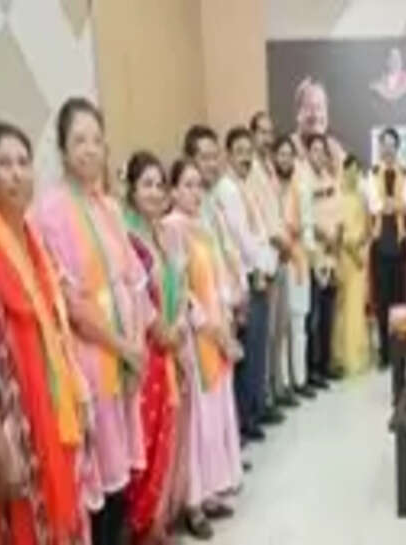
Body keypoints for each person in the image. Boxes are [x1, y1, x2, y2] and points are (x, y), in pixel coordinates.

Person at [0, 121, 93, 544]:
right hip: (15, 424)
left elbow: (56, 329)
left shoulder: (33, 243)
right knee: (30, 529)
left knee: (66, 526)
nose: (16, 173)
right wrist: (0, 443)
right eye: (4, 164)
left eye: (24, 162)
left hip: (55, 411)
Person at [32, 97, 149, 545]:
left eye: (96, 140)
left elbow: (133, 280)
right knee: (100, 479)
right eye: (79, 140)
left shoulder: (109, 208)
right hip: (91, 362)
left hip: (125, 357)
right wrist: (125, 348)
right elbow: (72, 303)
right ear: (62, 148)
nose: (89, 149)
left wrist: (137, 346)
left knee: (122, 482)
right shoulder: (49, 211)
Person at [165, 158, 244, 540]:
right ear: (173, 191)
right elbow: (181, 292)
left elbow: (217, 281)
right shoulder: (172, 229)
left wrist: (226, 321)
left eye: (199, 185)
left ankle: (210, 491)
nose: (195, 192)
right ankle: (192, 503)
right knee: (197, 423)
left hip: (217, 333)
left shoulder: (203, 226)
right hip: (195, 339)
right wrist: (209, 326)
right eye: (187, 185)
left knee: (216, 417)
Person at [121, 151, 190, 545]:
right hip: (144, 350)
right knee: (144, 438)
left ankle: (156, 524)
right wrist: (161, 331)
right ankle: (138, 527)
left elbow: (179, 284)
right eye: (146, 184)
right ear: (132, 190)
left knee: (167, 432)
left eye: (159, 185)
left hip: (170, 344)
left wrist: (177, 325)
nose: (154, 192)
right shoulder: (126, 238)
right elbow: (133, 297)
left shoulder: (165, 235)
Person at [204, 125, 278, 444]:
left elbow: (258, 231)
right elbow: (242, 239)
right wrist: (261, 267)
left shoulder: (242, 187)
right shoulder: (227, 190)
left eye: (249, 153)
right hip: (246, 277)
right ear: (228, 155)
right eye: (240, 152)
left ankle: (253, 412)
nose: (246, 158)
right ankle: (246, 419)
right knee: (249, 352)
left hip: (255, 273)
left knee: (257, 348)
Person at [249, 111, 291, 424]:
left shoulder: (269, 169)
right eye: (261, 133)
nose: (267, 138)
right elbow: (260, 220)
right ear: (253, 135)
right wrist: (280, 242)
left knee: (278, 330)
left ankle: (274, 390)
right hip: (265, 259)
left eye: (269, 132)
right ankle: (261, 400)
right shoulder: (250, 173)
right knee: (264, 336)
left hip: (279, 257)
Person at [272, 135, 313, 400]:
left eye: (289, 155)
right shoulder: (269, 188)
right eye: (281, 155)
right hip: (276, 259)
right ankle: (282, 384)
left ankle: (300, 379)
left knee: (299, 324)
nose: (285, 159)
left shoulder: (302, 188)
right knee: (281, 328)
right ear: (274, 158)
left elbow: (307, 225)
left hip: (298, 260)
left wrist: (305, 245)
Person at [367, 127, 406, 369]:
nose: (388, 149)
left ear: (397, 148)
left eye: (392, 145)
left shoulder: (405, 172)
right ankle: (384, 352)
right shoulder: (373, 173)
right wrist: (392, 204)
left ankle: (400, 350)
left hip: (399, 241)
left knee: (400, 298)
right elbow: (373, 205)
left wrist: (392, 205)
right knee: (382, 301)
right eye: (384, 144)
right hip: (380, 242)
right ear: (380, 147)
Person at [301, 133, 342, 388]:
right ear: (307, 153)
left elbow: (338, 213)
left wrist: (335, 238)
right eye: (314, 150)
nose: (319, 155)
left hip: (332, 254)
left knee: (328, 315)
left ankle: (325, 364)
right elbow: (304, 217)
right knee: (312, 317)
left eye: (322, 151)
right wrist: (321, 235)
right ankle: (311, 369)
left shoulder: (330, 179)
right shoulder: (302, 179)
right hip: (313, 255)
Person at [332, 155, 371, 376]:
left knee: (357, 306)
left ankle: (358, 355)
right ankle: (343, 356)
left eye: (357, 172)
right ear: (344, 171)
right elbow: (338, 232)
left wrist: (361, 246)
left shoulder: (361, 197)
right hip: (346, 258)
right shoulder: (338, 196)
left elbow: (367, 228)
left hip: (360, 257)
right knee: (344, 307)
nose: (353, 176)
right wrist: (351, 251)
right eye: (350, 171)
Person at [292, 78, 346, 176]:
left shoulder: (335, 150)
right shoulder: (288, 151)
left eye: (320, 107)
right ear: (298, 113)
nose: (316, 115)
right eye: (310, 107)